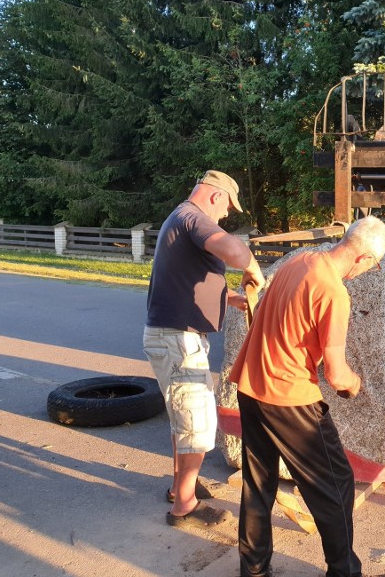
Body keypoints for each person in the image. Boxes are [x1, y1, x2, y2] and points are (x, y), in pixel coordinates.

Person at [228, 216, 385, 577]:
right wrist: (355, 384)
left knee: (259, 482)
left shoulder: (299, 262)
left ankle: (253, 570)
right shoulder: (334, 292)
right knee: (336, 484)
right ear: (364, 258)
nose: (368, 272)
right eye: (374, 265)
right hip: (288, 396)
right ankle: (343, 570)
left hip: (251, 385)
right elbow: (335, 374)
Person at [144, 170, 265, 530]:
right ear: (215, 196)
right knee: (197, 422)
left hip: (172, 335)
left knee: (184, 416)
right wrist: (252, 264)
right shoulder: (194, 219)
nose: (227, 214)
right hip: (177, 339)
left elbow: (182, 283)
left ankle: (180, 486)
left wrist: (231, 299)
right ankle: (184, 506)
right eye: (228, 206)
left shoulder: (180, 218)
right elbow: (233, 250)